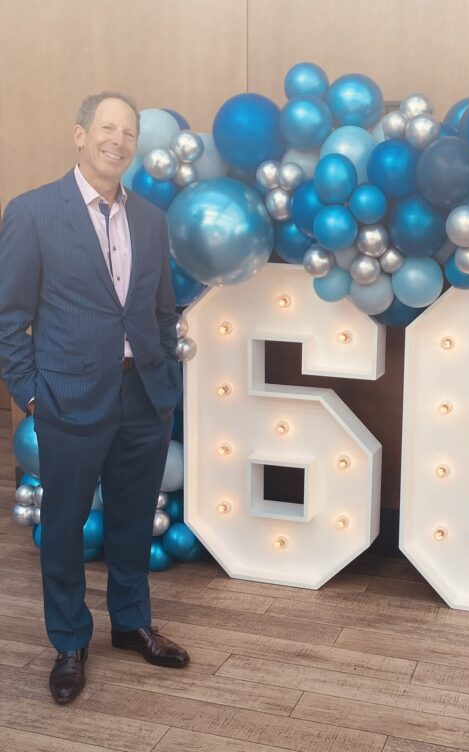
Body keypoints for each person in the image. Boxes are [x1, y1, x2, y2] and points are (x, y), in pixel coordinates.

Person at [0, 92, 190, 704]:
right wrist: (32, 396)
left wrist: (164, 389)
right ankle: (69, 640)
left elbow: (162, 313)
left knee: (134, 518)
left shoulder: (152, 220)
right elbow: (9, 318)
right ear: (80, 134)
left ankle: (131, 623)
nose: (118, 139)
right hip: (69, 399)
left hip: (144, 398)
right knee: (63, 526)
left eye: (129, 131)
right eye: (107, 127)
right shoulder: (31, 213)